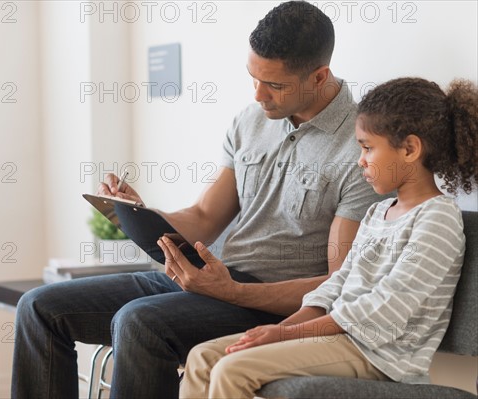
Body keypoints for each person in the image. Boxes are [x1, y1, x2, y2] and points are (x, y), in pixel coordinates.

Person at [11, 2, 384, 398]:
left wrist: (232, 292)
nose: (258, 95)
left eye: (274, 85)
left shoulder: (360, 148)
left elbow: (337, 283)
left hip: (264, 301)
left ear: (319, 76)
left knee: (139, 323)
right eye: (253, 78)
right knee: (38, 308)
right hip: (209, 280)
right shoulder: (251, 121)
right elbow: (205, 216)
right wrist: (142, 214)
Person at [177, 77, 478, 399]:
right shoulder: (378, 213)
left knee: (232, 368)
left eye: (367, 148)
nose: (360, 160)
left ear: (409, 148)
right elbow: (337, 285)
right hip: (340, 339)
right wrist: (280, 331)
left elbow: (383, 309)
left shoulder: (437, 219)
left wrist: (287, 334)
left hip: (381, 357)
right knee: (204, 357)